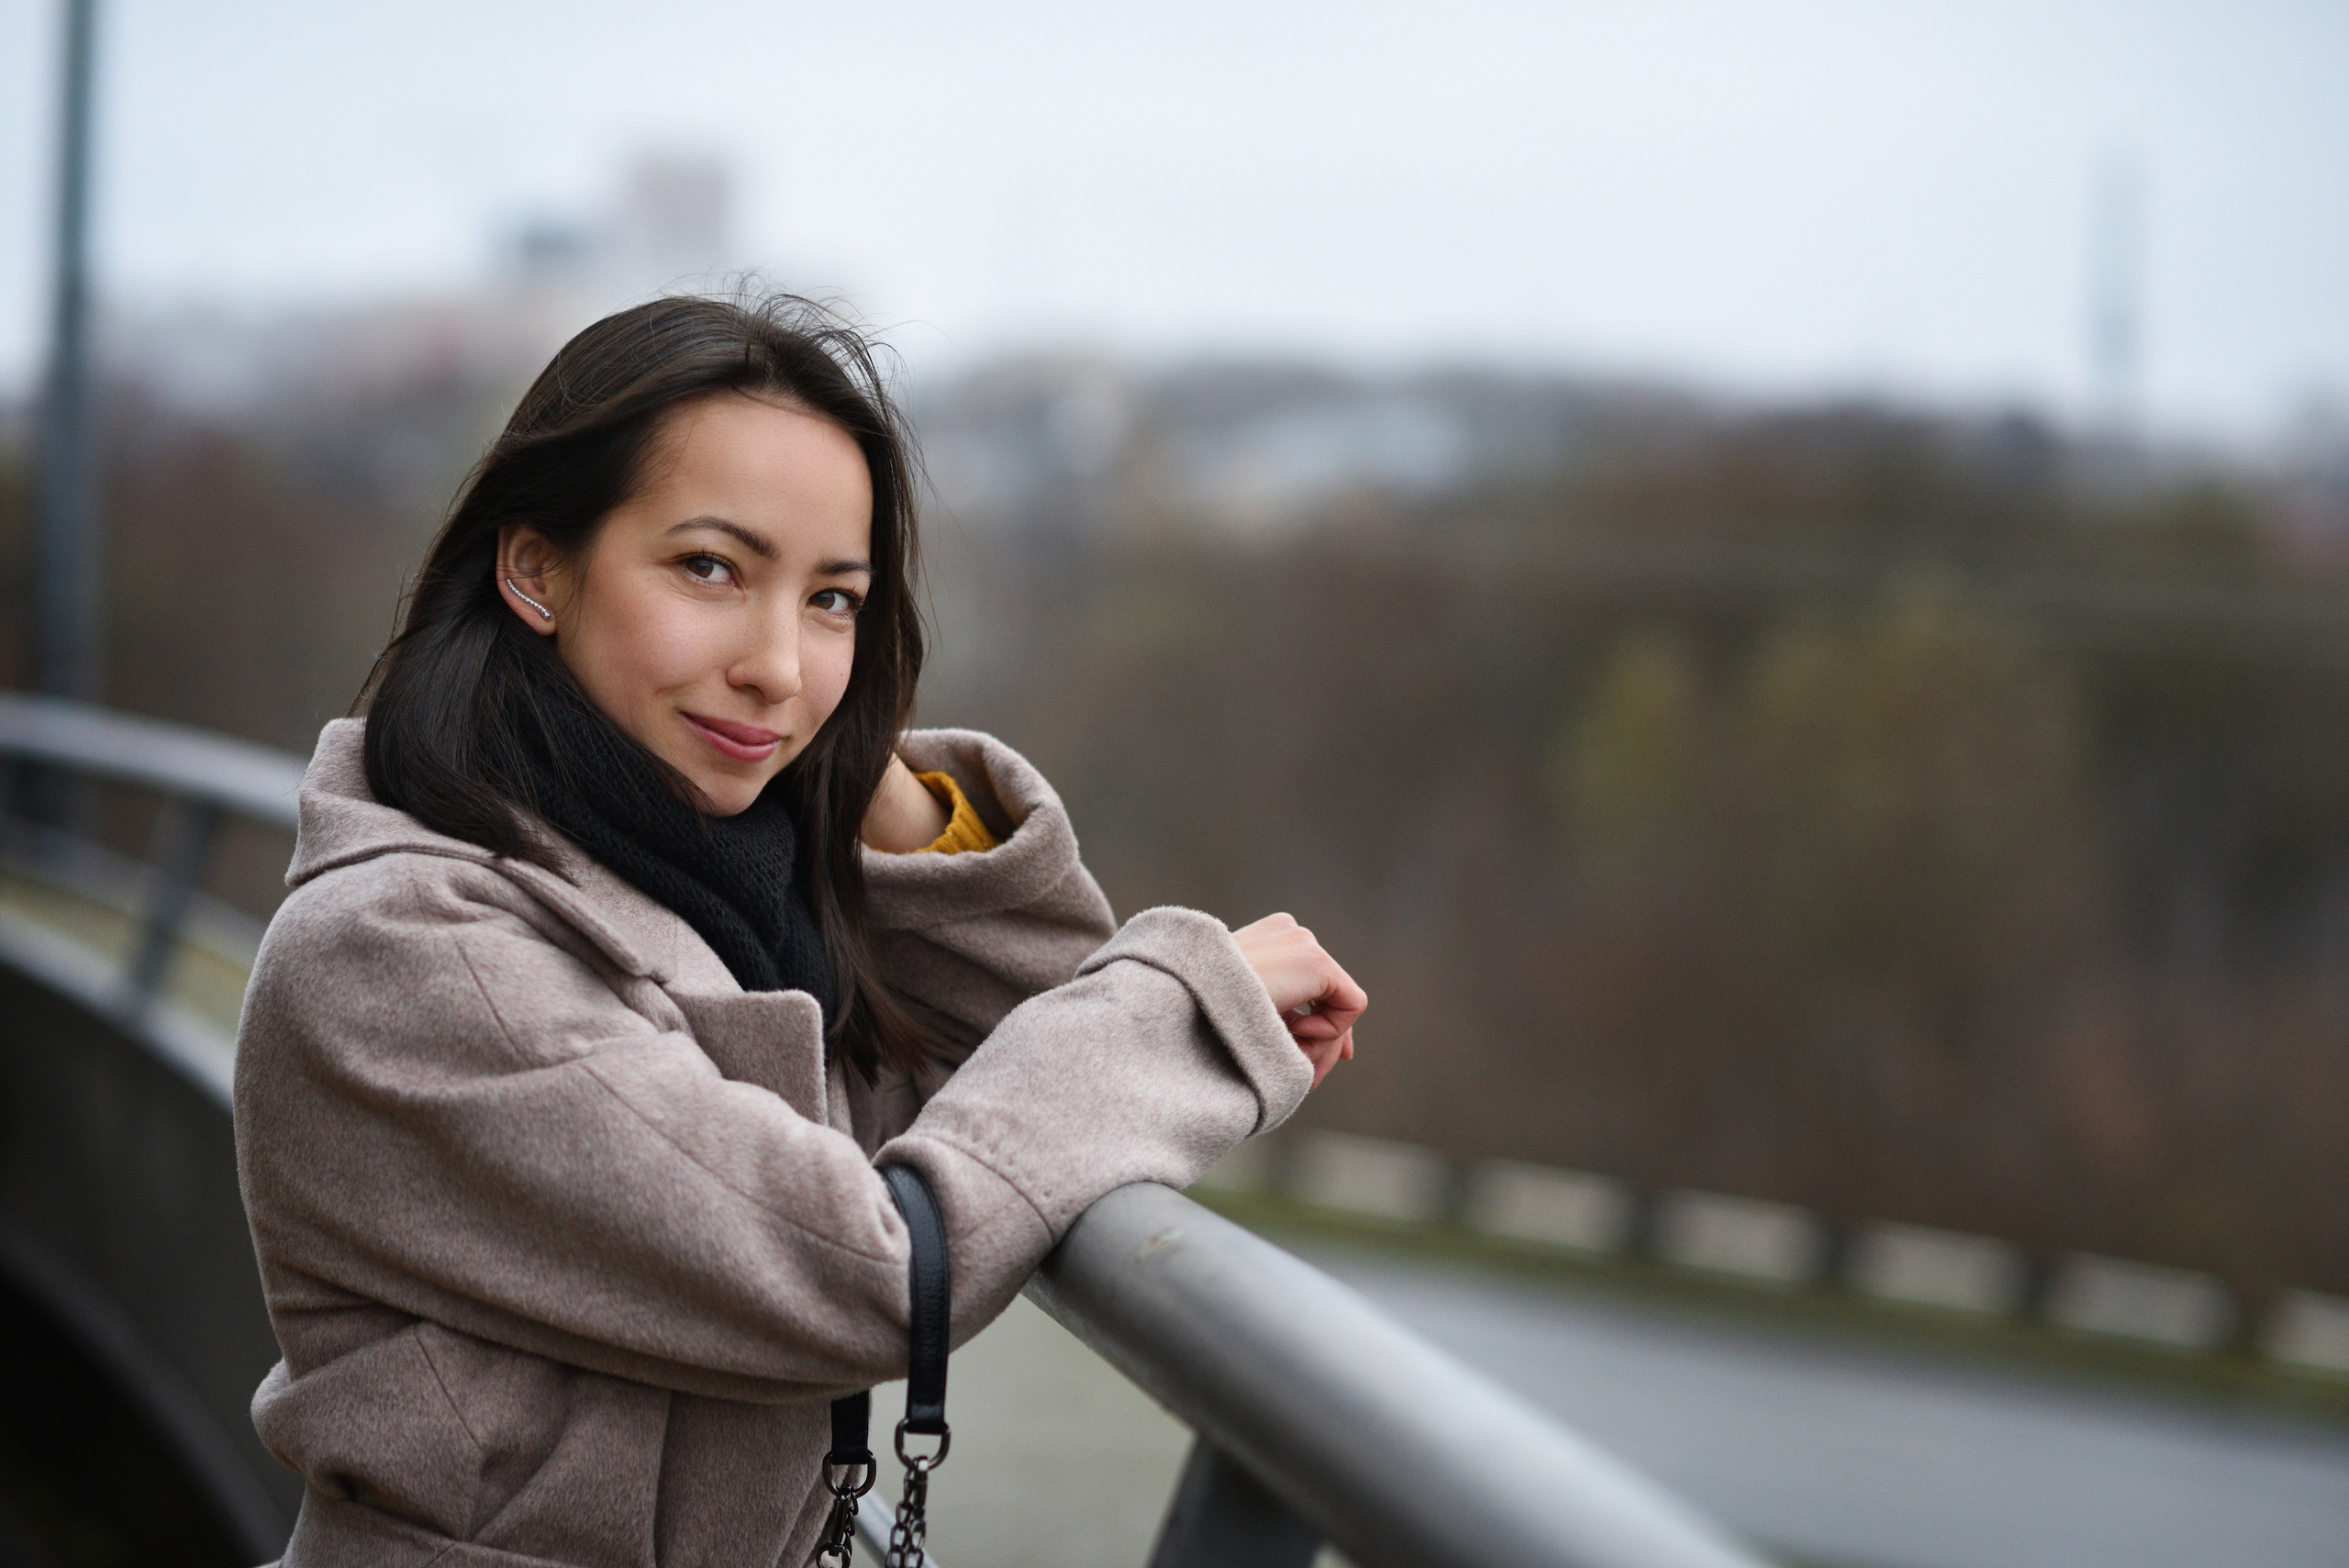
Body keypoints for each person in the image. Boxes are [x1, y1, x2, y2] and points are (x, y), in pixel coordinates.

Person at [230, 293, 1366, 1568]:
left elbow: (1041, 1028)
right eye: (710, 567)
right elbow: (871, 1268)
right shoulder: (409, 951)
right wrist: (1178, 1003)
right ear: (535, 567)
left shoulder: (718, 885)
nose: (778, 658)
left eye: (833, 597)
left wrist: (856, 768)